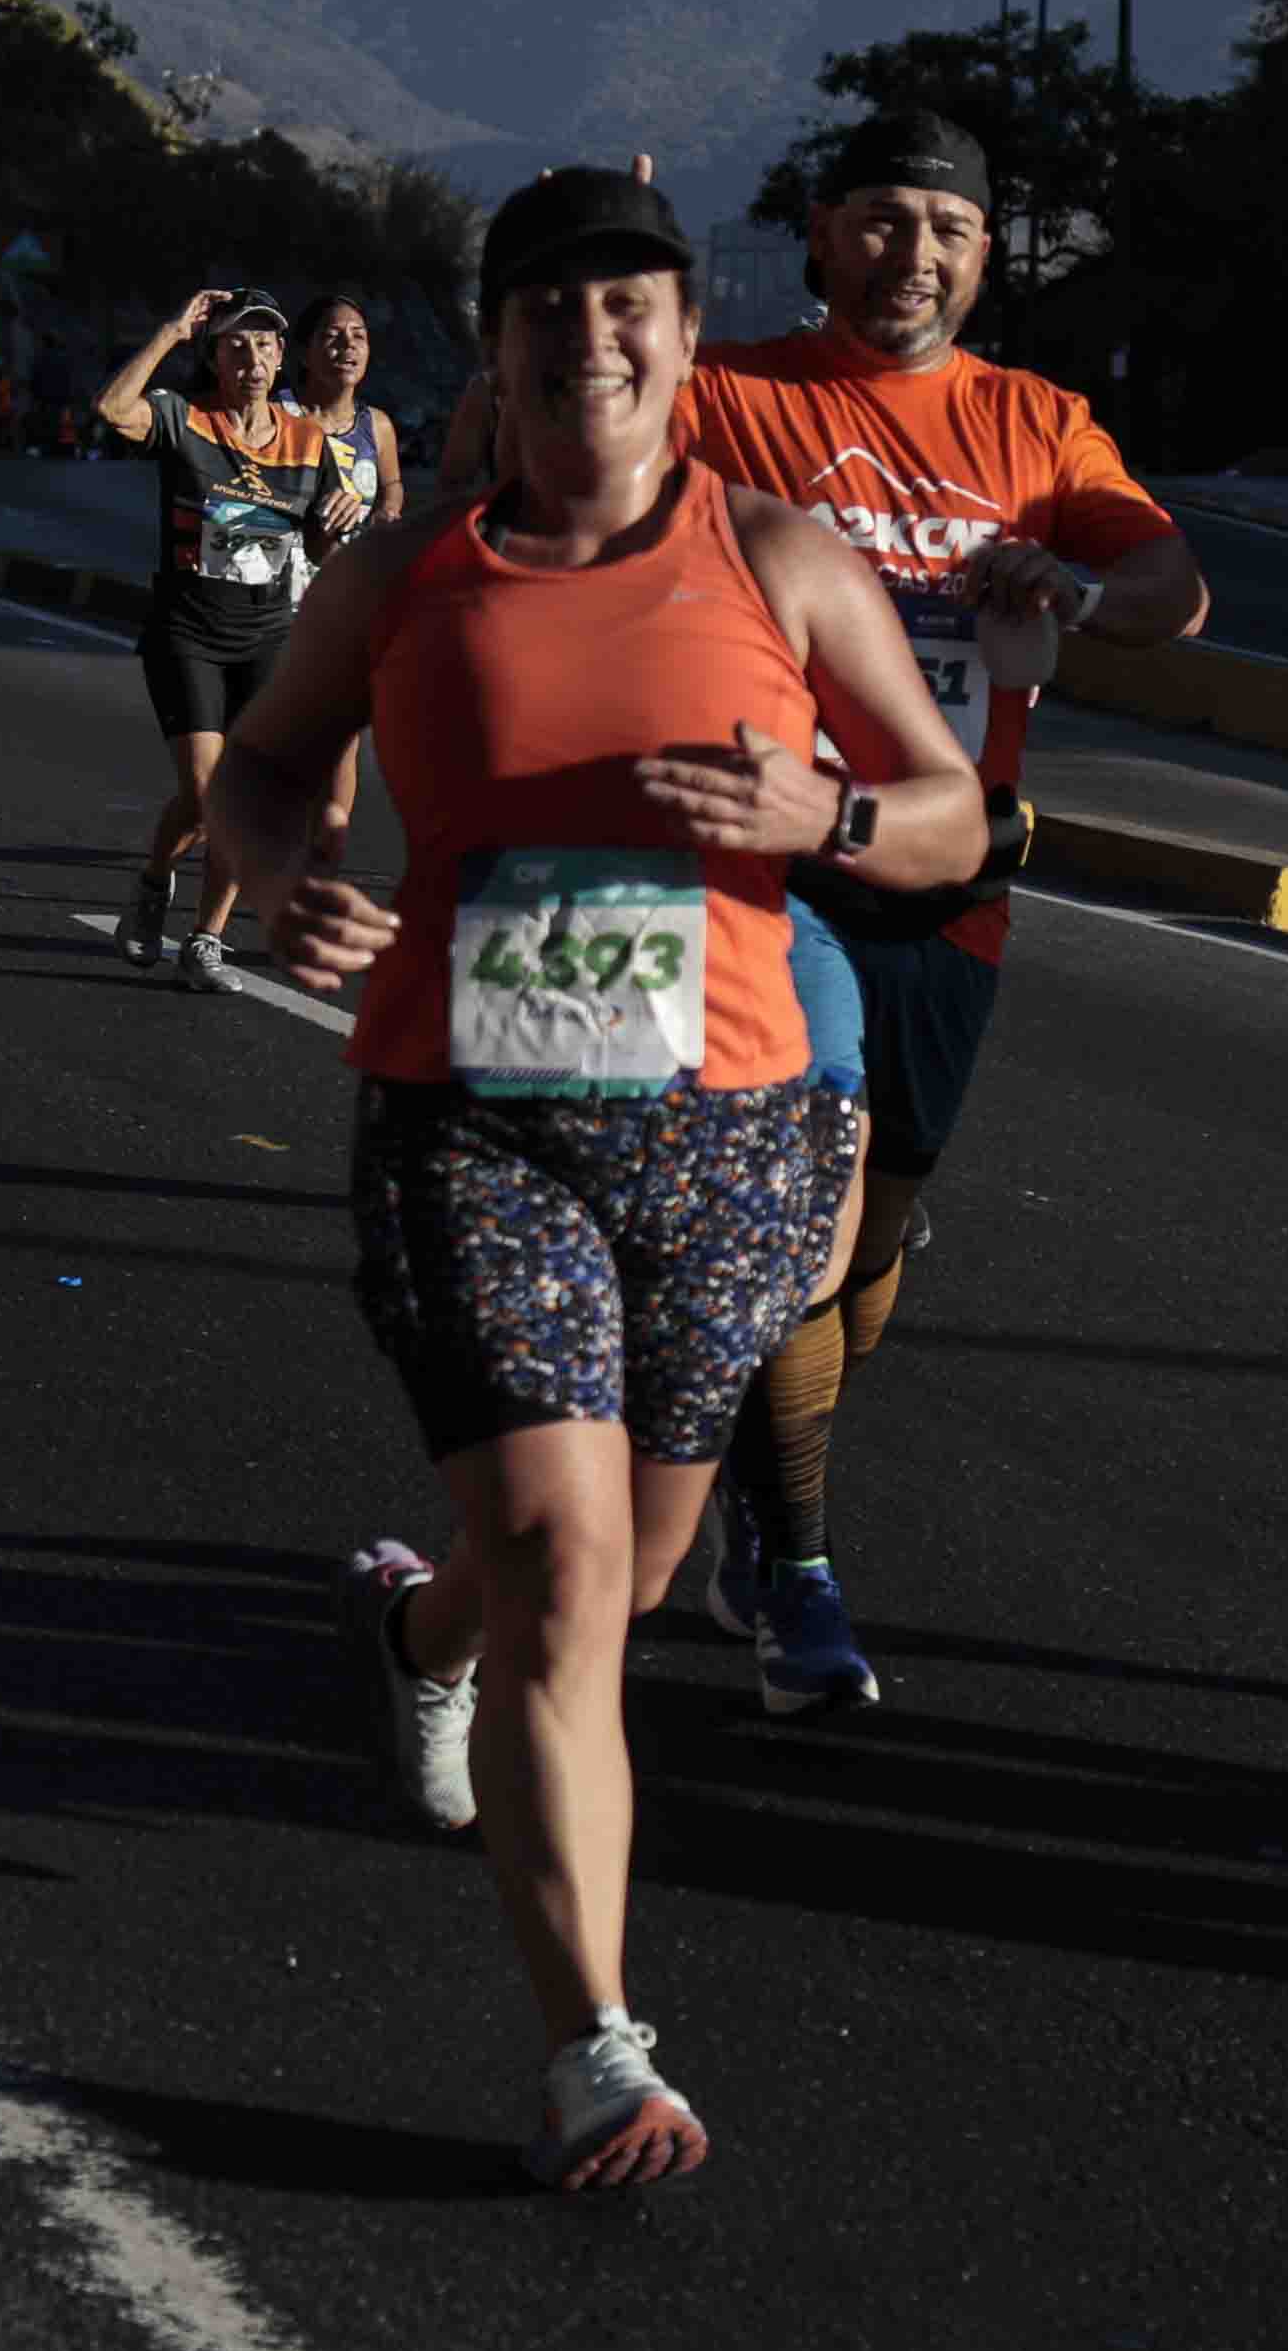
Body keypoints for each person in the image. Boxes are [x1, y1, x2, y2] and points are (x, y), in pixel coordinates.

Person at [205, 165, 979, 2190]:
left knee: (616, 1579)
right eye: (552, 304)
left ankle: (416, 1639)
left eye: (631, 301)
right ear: (504, 343)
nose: (595, 334)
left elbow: (950, 818)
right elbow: (262, 765)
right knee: (570, 1573)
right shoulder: (400, 575)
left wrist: (824, 808)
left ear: (685, 340)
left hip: (725, 1131)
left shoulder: (787, 564)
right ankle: (595, 2053)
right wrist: (280, 884)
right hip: (477, 1123)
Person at [665, 115, 1207, 1720]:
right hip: (781, 875)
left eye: (950, 231)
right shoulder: (733, 393)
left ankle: (771, 1484)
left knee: (874, 1251)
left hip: (956, 880)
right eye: (884, 224)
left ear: (988, 253)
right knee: (810, 1216)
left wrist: (1081, 590)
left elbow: (1177, 590)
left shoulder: (1036, 421)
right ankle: (803, 1580)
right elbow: (555, 463)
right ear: (821, 232)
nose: (917, 256)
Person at [97, 287, 349, 987]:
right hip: (188, 632)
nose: (253, 357)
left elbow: (323, 550)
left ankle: (206, 939)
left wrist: (338, 518)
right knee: (210, 795)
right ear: (213, 357)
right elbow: (113, 411)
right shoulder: (186, 419)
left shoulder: (307, 442)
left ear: (281, 358)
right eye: (236, 344)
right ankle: (154, 883)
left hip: (267, 634)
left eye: (266, 343)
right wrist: (169, 331)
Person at [281, 289, 397, 540]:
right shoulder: (276, 414)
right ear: (303, 354)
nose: (349, 345)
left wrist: (388, 509)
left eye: (359, 336)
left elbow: (392, 485)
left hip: (348, 568)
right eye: (332, 336)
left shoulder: (378, 424)